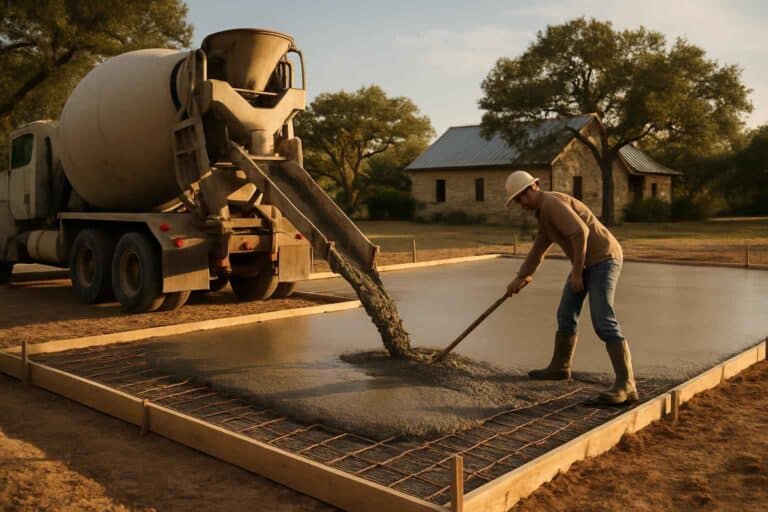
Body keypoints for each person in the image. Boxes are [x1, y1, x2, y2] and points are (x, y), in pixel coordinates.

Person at [505, 170, 637, 405]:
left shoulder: (552, 203)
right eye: (517, 201)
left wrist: (577, 273)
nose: (521, 204)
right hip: (586, 261)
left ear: (533, 188)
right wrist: (521, 276)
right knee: (566, 312)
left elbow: (580, 232)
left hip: (604, 258)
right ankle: (560, 367)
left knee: (602, 319)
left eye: (521, 197)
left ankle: (627, 384)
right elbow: (538, 249)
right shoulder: (542, 213)